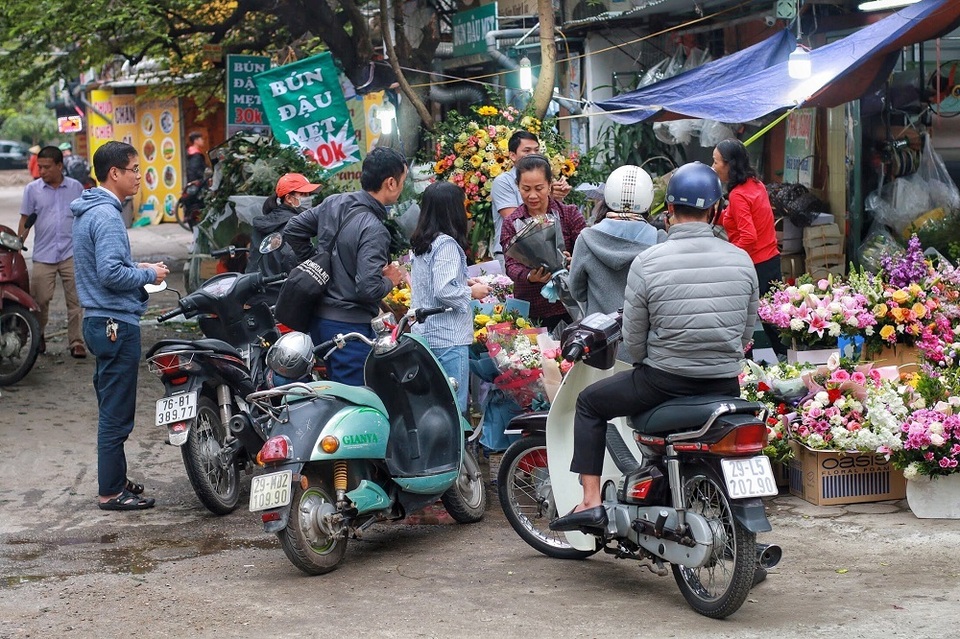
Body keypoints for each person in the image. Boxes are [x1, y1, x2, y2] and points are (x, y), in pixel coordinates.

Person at [550, 162, 758, 532]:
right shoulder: (742, 260)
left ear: (669, 210)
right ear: (715, 211)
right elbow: (745, 334)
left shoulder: (648, 263)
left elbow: (633, 339)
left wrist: (652, 363)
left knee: (589, 404)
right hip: (725, 383)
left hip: (664, 380)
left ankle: (591, 500)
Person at [71, 141, 170, 511]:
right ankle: (111, 492)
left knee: (111, 406)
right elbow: (111, 273)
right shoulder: (107, 215)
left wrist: (140, 271)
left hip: (100, 320)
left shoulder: (89, 210)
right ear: (115, 173)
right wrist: (150, 272)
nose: (139, 178)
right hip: (114, 322)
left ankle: (115, 478)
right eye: (134, 170)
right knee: (116, 413)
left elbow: (105, 267)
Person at [283, 146, 406, 385]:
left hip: (318, 321)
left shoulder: (334, 203)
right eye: (403, 181)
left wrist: (318, 266)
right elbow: (368, 288)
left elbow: (293, 229)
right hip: (348, 328)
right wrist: (390, 279)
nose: (402, 187)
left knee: (334, 394)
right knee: (354, 403)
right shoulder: (374, 229)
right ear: (391, 183)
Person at [409, 181, 490, 414]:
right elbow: (443, 291)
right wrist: (471, 292)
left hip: (426, 336)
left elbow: (430, 282)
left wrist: (464, 282)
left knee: (433, 408)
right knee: (453, 409)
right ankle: (456, 450)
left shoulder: (423, 244)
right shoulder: (446, 245)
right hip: (449, 339)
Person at [712, 138, 787, 360]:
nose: (713, 167)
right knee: (775, 318)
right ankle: (787, 359)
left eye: (716, 162)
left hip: (754, 265)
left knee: (745, 318)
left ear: (729, 165)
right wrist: (717, 216)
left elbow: (748, 236)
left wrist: (728, 255)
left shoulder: (738, 195)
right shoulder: (756, 184)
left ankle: (748, 367)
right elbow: (740, 219)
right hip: (770, 260)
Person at [568, 165, 666, 321]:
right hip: (643, 338)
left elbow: (576, 291)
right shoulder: (659, 240)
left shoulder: (587, 239)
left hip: (599, 337)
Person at [499, 154, 585, 331]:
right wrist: (530, 276)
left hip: (569, 306)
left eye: (539, 188)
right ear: (517, 186)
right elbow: (511, 265)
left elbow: (586, 252)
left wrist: (572, 261)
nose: (532, 195)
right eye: (525, 189)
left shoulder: (569, 215)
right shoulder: (512, 222)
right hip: (531, 307)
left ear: (550, 185)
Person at [18, 145, 86, 357]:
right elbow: (25, 220)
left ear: (59, 166)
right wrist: (18, 245)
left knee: (76, 301)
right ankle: (38, 337)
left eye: (47, 167)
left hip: (71, 253)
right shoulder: (32, 190)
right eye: (40, 167)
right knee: (39, 301)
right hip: (43, 255)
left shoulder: (76, 188)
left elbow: (84, 218)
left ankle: (76, 342)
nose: (42, 171)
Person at [489, 131, 572, 262]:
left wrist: (556, 197)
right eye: (527, 150)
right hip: (514, 252)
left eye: (536, 150)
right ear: (512, 155)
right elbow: (518, 223)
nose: (533, 154)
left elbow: (553, 215)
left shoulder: (569, 211)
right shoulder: (503, 181)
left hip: (548, 251)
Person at [247, 172, 322, 280]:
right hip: (284, 290)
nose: (308, 199)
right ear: (289, 198)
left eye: (309, 195)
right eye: (303, 194)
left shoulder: (262, 223)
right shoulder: (296, 225)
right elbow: (293, 261)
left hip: (259, 289)